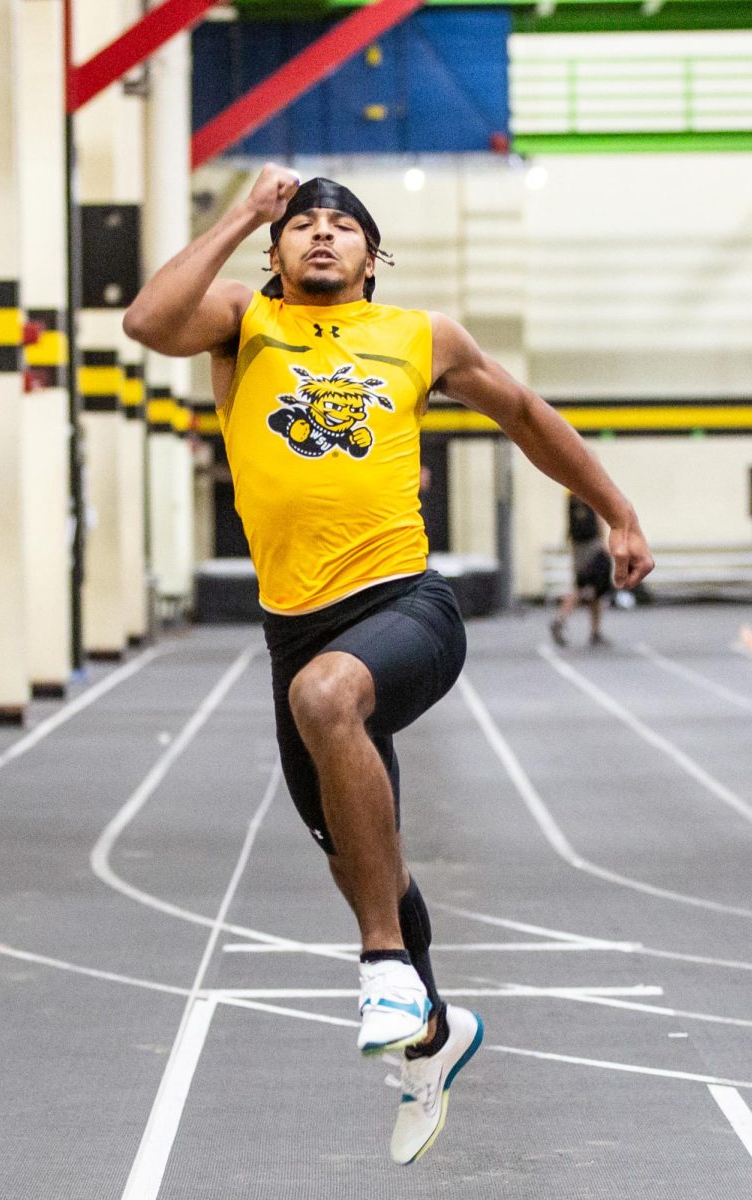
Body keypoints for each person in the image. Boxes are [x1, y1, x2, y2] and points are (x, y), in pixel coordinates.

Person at [123, 163, 654, 1165]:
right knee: (360, 853)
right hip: (292, 624)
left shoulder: (420, 337)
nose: (320, 235)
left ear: (372, 257)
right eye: (303, 226)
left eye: (342, 227)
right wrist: (240, 210)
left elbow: (529, 418)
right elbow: (148, 323)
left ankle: (379, 965)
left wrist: (616, 512)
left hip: (401, 603)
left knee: (330, 695)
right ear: (276, 251)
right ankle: (431, 1033)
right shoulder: (241, 321)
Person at [550, 493, 614, 648]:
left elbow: (570, 526)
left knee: (592, 592)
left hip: (577, 548)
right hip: (592, 546)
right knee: (587, 589)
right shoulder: (587, 490)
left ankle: (595, 632)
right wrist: (604, 543)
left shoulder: (570, 498)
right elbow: (599, 518)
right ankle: (561, 618)